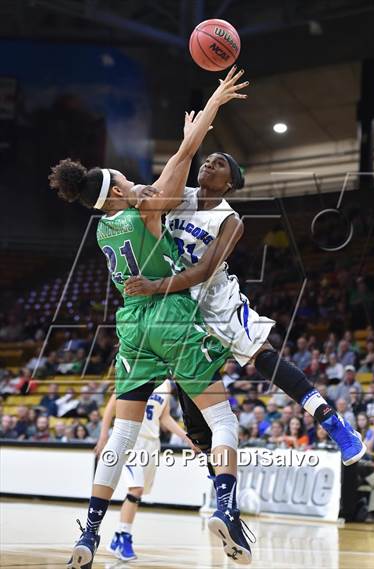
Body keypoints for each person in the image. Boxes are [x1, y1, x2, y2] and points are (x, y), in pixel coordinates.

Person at [52, 69, 254, 568]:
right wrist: (212, 107)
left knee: (121, 436)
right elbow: (183, 159)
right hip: (169, 315)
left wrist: (192, 138)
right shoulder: (145, 207)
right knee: (223, 418)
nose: (127, 177)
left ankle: (91, 531)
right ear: (116, 192)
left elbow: (179, 159)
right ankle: (226, 508)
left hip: (131, 325)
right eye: (121, 178)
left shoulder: (105, 229)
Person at [124, 146, 366, 466]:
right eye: (208, 160)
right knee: (191, 390)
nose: (209, 163)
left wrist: (155, 285)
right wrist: (142, 188)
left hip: (216, 296)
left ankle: (334, 423)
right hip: (179, 302)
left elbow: (205, 270)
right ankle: (222, 491)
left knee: (262, 355)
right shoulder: (181, 194)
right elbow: (144, 198)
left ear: (229, 183)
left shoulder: (231, 221)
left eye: (219, 163)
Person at [96, 380, 196, 561]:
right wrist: (103, 436)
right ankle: (124, 537)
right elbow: (112, 406)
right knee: (136, 489)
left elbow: (164, 417)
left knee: (137, 493)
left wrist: (186, 438)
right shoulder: (137, 372)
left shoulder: (166, 384)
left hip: (151, 443)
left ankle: (118, 536)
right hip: (130, 439)